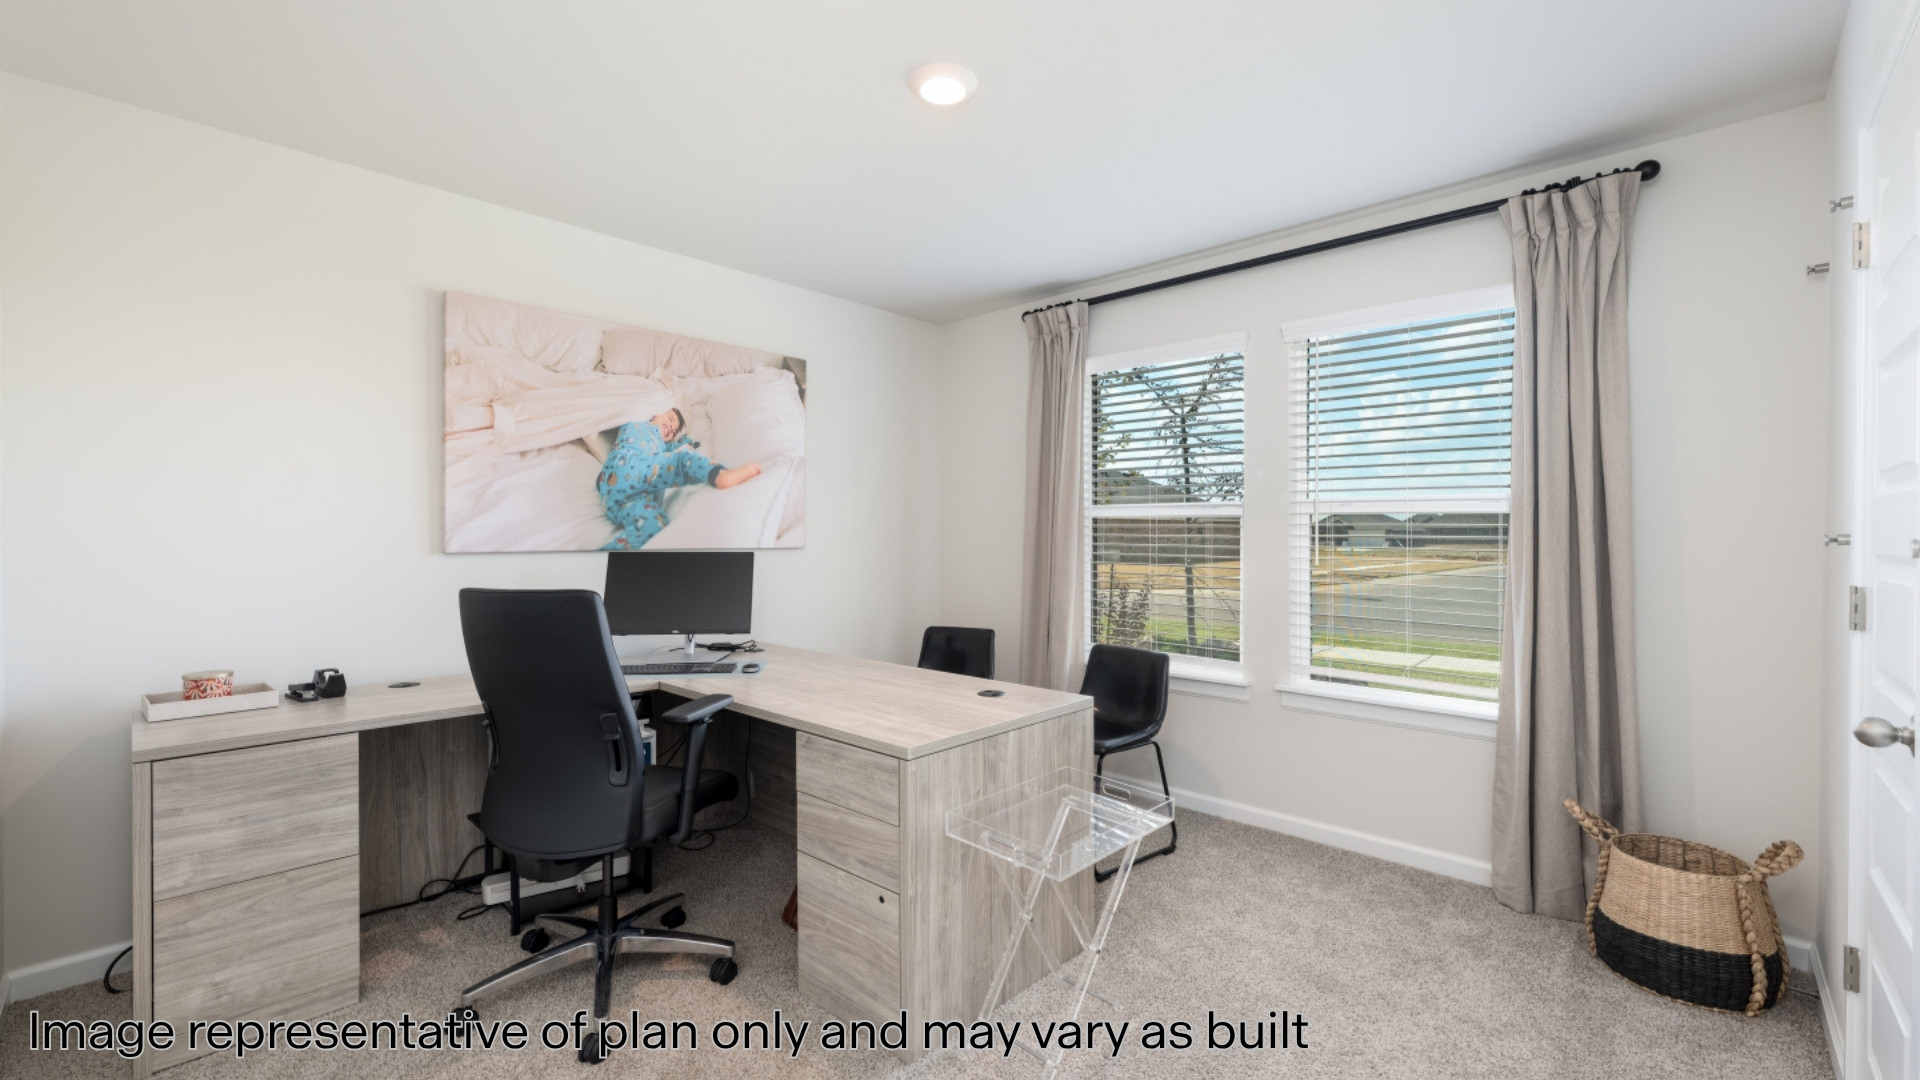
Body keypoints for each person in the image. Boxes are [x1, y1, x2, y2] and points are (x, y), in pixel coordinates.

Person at [596, 408, 760, 550]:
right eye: (670, 419)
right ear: (654, 412)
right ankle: (718, 474)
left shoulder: (663, 445)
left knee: (653, 523)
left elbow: (678, 445)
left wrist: (687, 441)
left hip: (616, 499)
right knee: (681, 461)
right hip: (629, 465)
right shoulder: (636, 422)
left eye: (673, 431)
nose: (671, 428)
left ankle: (601, 560)